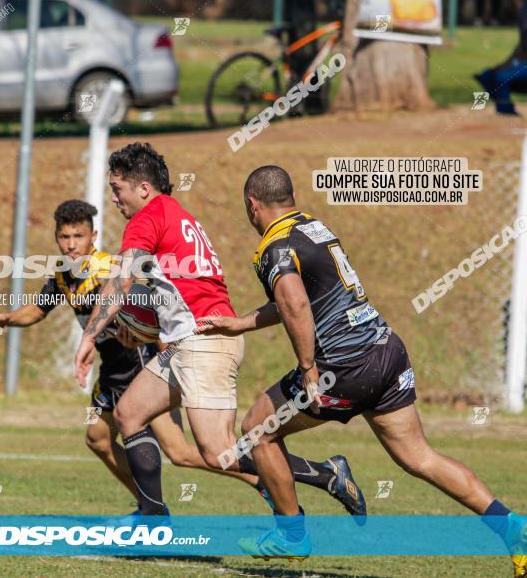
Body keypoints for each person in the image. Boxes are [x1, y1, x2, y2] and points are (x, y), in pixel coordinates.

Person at [196, 166, 527, 576]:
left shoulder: (273, 247)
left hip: (344, 365)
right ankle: (512, 527)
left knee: (257, 428)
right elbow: (300, 300)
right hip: (385, 350)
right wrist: (241, 323)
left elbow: (296, 305)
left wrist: (309, 369)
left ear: (253, 204)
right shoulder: (314, 227)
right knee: (419, 457)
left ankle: (291, 535)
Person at [73, 143, 366, 518]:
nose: (113, 198)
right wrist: (146, 326)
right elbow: (181, 290)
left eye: (118, 188)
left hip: (205, 345)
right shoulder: (177, 214)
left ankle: (327, 473)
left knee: (218, 451)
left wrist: (89, 336)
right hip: (190, 342)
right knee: (130, 412)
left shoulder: (147, 218)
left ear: (143, 188)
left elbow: (122, 280)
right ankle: (151, 512)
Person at [0, 200, 263, 513]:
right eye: (64, 237)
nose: (71, 245)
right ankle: (148, 505)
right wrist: (7, 320)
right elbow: (38, 310)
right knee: (98, 438)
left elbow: (144, 304)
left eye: (78, 236)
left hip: (139, 363)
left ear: (93, 235)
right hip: (112, 369)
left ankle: (261, 479)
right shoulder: (64, 276)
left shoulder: (106, 270)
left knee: (180, 453)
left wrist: (153, 340)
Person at [475, 0, 527, 115]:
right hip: (521, 63)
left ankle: (507, 114)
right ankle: (482, 107)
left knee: (501, 78)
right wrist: (505, 64)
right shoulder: (522, 8)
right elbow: (521, 47)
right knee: (487, 75)